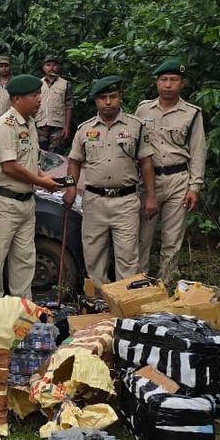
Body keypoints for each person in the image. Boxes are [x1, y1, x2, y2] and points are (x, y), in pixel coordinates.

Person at [63, 76, 157, 287]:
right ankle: (98, 302)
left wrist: (151, 196)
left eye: (112, 96)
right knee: (94, 256)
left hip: (125, 201)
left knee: (127, 256)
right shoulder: (84, 129)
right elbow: (74, 162)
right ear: (95, 101)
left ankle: (124, 302)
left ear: (119, 98)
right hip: (95, 201)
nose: (108, 102)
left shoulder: (136, 126)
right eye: (102, 98)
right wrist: (70, 187)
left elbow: (146, 163)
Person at [0, 75, 61, 298]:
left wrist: (44, 179)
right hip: (3, 201)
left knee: (25, 258)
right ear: (17, 99)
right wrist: (40, 181)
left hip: (26, 201)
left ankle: (22, 308)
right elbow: (9, 167)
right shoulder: (5, 125)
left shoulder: (31, 123)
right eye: (34, 96)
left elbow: (29, 163)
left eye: (39, 95)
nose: (39, 100)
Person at [136, 59, 206, 283]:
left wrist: (195, 186)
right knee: (142, 236)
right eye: (163, 80)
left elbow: (198, 151)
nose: (168, 85)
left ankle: (164, 282)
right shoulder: (143, 109)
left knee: (172, 237)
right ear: (156, 83)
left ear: (182, 84)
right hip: (148, 181)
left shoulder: (192, 113)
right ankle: (139, 282)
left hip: (178, 179)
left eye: (174, 80)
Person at [35, 55, 73, 152]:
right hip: (41, 123)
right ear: (43, 68)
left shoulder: (65, 84)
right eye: (48, 65)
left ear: (58, 67)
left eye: (54, 65)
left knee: (56, 154)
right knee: (41, 152)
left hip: (58, 125)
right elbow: (33, 103)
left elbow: (69, 106)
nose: (51, 68)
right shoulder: (38, 83)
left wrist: (67, 127)